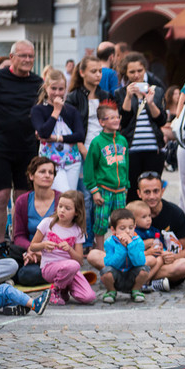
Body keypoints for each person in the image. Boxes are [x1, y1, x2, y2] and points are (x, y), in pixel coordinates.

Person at [0, 40, 43, 259]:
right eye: (23, 56)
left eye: (30, 56)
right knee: (1, 196)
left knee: (23, 197)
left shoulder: (38, 82)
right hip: (0, 146)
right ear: (11, 57)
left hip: (27, 147)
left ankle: (19, 242)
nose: (27, 60)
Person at [66, 55, 112, 250]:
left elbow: (111, 122)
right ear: (82, 72)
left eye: (100, 71)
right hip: (83, 150)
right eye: (94, 71)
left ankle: (96, 239)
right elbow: (70, 127)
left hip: (103, 150)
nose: (98, 75)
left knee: (100, 196)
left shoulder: (105, 95)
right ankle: (84, 239)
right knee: (86, 196)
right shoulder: (74, 96)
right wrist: (81, 147)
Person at [114, 52, 167, 202]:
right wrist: (128, 97)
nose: (137, 75)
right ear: (126, 73)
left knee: (153, 192)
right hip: (131, 150)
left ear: (145, 70)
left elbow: (161, 120)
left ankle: (151, 222)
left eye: (140, 70)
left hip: (154, 149)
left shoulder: (156, 90)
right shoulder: (120, 93)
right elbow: (122, 122)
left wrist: (150, 102)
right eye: (132, 72)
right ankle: (133, 224)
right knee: (132, 192)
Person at [28, 190, 95, 305]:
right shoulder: (47, 223)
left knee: (89, 297)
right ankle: (55, 290)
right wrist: (43, 245)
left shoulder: (78, 230)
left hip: (71, 269)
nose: (62, 210)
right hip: (49, 267)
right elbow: (32, 247)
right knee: (72, 265)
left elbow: (79, 260)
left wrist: (69, 249)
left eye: (67, 208)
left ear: (76, 212)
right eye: (60, 206)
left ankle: (64, 288)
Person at [83, 101, 129, 251]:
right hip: (103, 190)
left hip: (120, 190)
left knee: (121, 222)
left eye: (117, 117)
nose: (116, 120)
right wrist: (94, 190)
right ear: (102, 122)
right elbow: (89, 168)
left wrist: (126, 185)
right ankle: (100, 251)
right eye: (111, 117)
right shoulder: (97, 143)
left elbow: (126, 164)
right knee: (101, 222)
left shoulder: (123, 141)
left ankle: (119, 249)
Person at [31, 69, 85, 192]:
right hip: (51, 162)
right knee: (63, 193)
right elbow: (43, 133)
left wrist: (57, 138)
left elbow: (80, 135)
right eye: (53, 88)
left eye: (61, 89)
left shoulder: (71, 110)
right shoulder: (38, 109)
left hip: (72, 160)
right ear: (46, 87)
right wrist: (56, 111)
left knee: (70, 198)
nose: (57, 93)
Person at [11, 158, 60, 286]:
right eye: (42, 171)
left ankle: (15, 276)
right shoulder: (22, 201)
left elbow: (68, 235)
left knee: (26, 275)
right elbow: (19, 236)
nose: (47, 175)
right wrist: (32, 250)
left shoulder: (62, 200)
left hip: (55, 253)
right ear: (31, 175)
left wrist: (42, 252)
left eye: (51, 172)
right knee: (9, 252)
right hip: (30, 251)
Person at [100, 208, 150, 303]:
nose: (127, 231)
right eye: (122, 228)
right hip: (117, 275)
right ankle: (111, 291)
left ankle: (136, 290)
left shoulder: (138, 241)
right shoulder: (110, 242)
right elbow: (110, 263)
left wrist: (131, 245)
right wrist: (122, 248)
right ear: (113, 229)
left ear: (135, 226)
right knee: (106, 272)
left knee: (144, 270)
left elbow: (140, 262)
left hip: (132, 276)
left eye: (131, 228)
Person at [125, 200, 170, 293]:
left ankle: (146, 280)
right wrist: (148, 248)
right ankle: (143, 282)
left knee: (161, 259)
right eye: (144, 217)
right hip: (139, 262)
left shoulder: (154, 231)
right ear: (133, 221)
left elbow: (162, 245)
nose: (149, 219)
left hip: (155, 262)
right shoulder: (133, 234)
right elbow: (131, 252)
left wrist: (163, 251)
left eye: (149, 216)